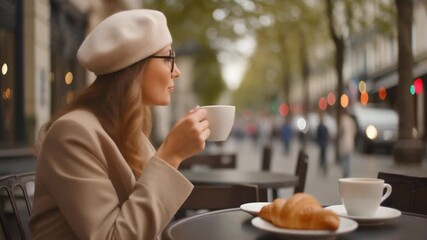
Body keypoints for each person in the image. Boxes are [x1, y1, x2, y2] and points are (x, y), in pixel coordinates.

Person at [29, 9, 211, 240]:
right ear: (135, 67)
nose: (177, 71)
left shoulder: (127, 127)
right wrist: (170, 156)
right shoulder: (72, 133)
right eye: (167, 58)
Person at [339, 110, 357, 178]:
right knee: (348, 158)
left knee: (344, 158)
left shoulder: (343, 120)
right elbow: (354, 131)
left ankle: (345, 172)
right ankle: (347, 172)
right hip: (350, 141)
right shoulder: (351, 121)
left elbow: (341, 131)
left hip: (344, 142)